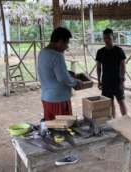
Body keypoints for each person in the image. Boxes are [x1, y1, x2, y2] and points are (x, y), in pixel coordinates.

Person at [38, 27, 83, 166]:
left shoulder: (43, 52)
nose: (66, 46)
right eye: (66, 43)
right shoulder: (57, 55)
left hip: (46, 98)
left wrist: (67, 72)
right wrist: (76, 82)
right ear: (59, 41)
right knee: (64, 128)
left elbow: (51, 71)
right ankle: (65, 157)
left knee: (52, 128)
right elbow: (63, 78)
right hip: (59, 99)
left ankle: (52, 154)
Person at [96, 28, 127, 117]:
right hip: (106, 81)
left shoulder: (119, 50)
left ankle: (125, 120)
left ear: (113, 37)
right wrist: (99, 81)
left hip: (117, 80)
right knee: (110, 103)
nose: (107, 40)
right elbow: (98, 68)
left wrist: (122, 80)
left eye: (108, 38)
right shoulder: (100, 52)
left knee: (121, 101)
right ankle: (114, 122)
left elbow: (123, 66)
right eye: (105, 38)